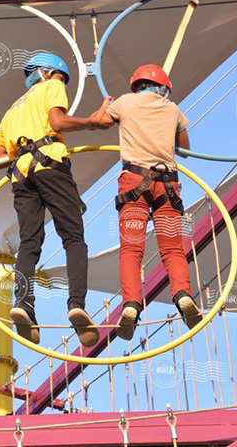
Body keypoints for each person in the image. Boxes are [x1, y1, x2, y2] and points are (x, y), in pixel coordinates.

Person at [0, 52, 112, 347]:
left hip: (20, 175)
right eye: (60, 77)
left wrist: (20, 150)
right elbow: (58, 121)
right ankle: (77, 304)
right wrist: (92, 121)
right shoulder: (51, 86)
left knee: (30, 242)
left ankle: (24, 304)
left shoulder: (10, 112)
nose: (61, 82)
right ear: (48, 73)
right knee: (73, 238)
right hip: (49, 166)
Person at [90, 63, 202, 340]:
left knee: (131, 250)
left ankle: (130, 304)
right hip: (167, 187)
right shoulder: (172, 109)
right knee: (173, 250)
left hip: (134, 183)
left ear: (135, 85)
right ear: (163, 87)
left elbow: (99, 122)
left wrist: (106, 106)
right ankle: (183, 294)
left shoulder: (125, 103)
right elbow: (184, 149)